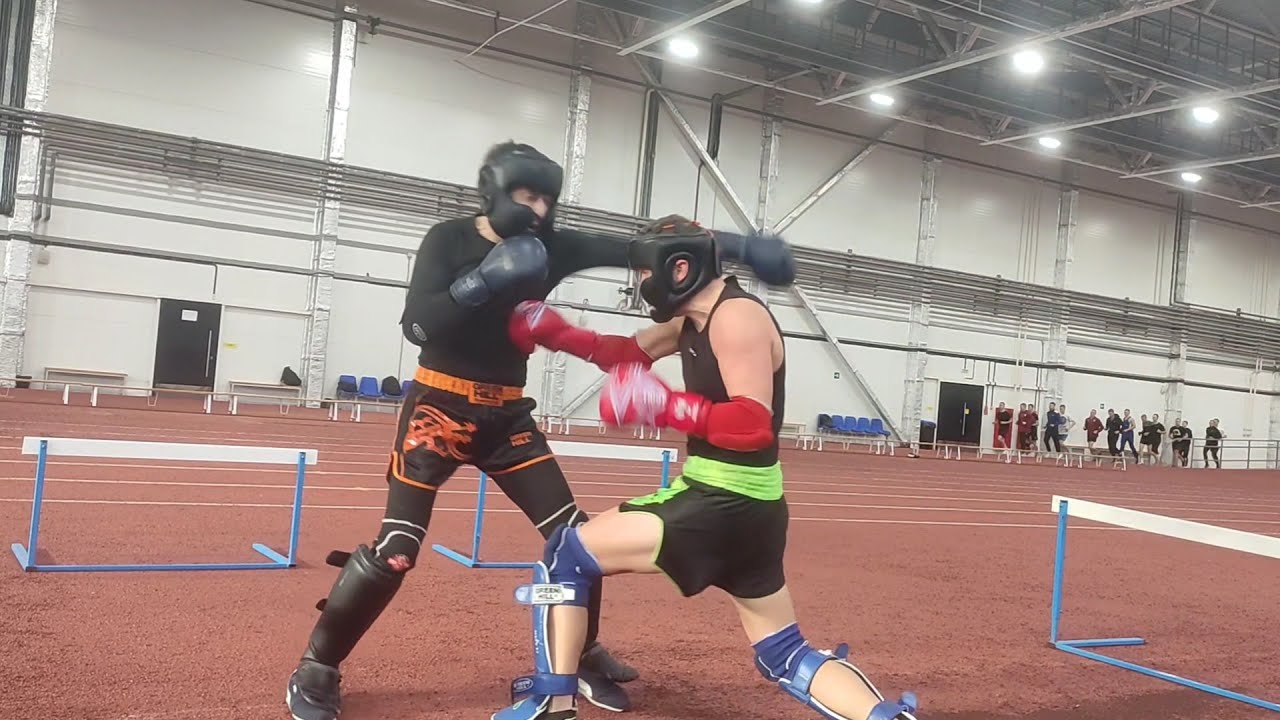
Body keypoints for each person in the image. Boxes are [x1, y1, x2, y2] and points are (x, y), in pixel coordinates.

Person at [284, 143, 797, 720]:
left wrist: (745, 249)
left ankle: (578, 651)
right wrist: (480, 281)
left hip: (506, 416)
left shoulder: (552, 246)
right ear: (494, 191)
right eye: (527, 195)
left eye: (547, 197)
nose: (538, 208)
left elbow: (633, 247)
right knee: (399, 548)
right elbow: (417, 325)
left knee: (574, 538)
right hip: (439, 410)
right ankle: (317, 666)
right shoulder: (447, 240)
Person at [493, 215, 919, 720]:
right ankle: (886, 717)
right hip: (752, 509)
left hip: (720, 502)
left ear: (678, 268)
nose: (639, 283)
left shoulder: (737, 318)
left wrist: (665, 406)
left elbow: (753, 423)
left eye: (644, 272)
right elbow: (626, 353)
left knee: (567, 553)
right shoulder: (693, 318)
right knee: (783, 653)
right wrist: (556, 332)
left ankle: (553, 700)